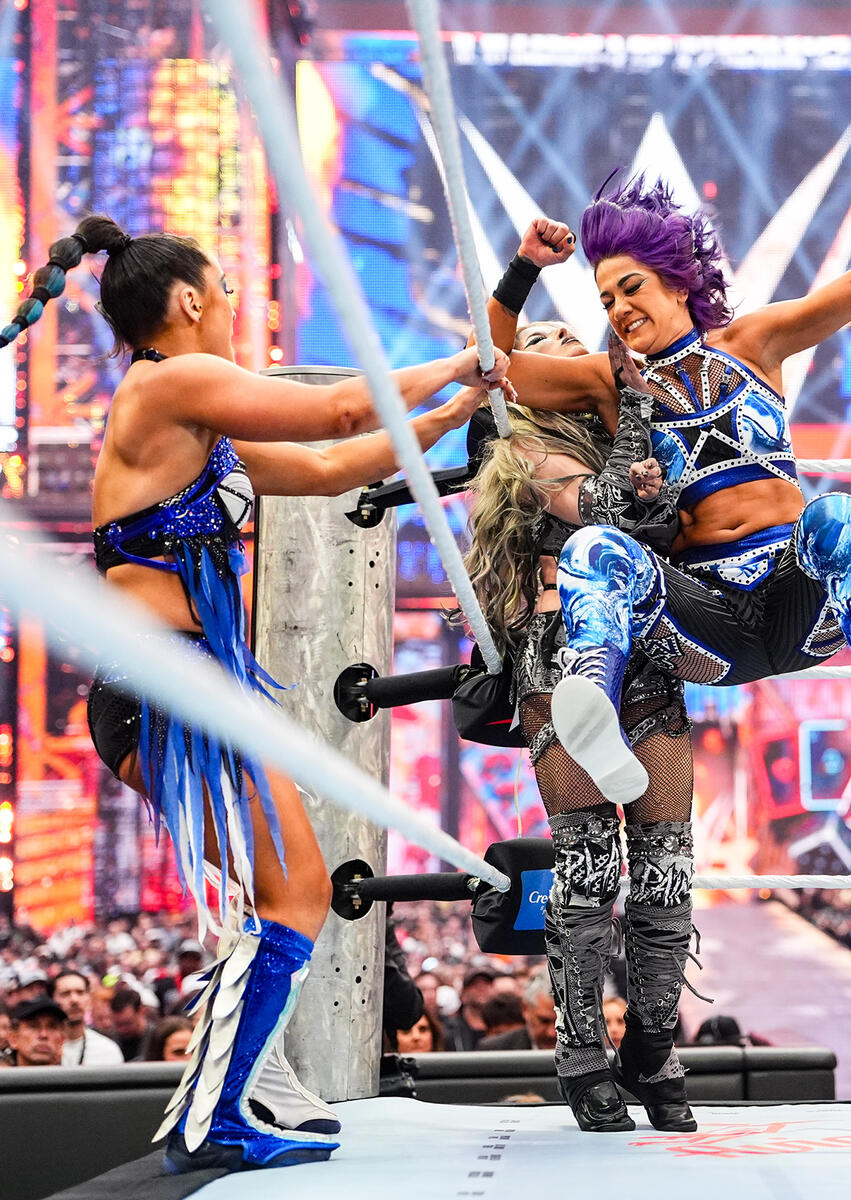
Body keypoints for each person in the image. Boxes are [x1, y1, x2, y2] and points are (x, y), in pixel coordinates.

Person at [1, 215, 511, 1173]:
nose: (234, 306)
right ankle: (217, 1112)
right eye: (227, 290)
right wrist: (454, 365)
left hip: (182, 688)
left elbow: (326, 467)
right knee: (297, 893)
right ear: (190, 300)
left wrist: (448, 417)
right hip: (170, 686)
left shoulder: (192, 422)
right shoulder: (169, 380)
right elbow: (335, 414)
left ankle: (237, 1089)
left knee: (284, 894)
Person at [497, 133, 851, 818]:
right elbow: (492, 366)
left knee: (839, 516)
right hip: (706, 631)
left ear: (677, 282)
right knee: (593, 549)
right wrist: (524, 267)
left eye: (631, 287)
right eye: (606, 302)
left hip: (800, 609)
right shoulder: (609, 381)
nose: (619, 310)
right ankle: (596, 723)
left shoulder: (755, 342)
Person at [464, 312, 697, 1132]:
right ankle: (580, 1053)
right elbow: (604, 510)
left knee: (668, 861)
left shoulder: (624, 435)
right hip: (562, 654)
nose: (571, 345)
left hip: (646, 653)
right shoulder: (517, 447)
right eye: (548, 340)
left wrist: (646, 436)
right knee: (590, 862)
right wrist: (632, 404)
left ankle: (654, 1044)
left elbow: (672, 528)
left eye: (573, 336)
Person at [52, 970, 124, 1066]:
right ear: (52, 999)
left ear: (89, 999)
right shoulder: (41, 1049)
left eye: (80, 993)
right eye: (65, 994)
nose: (74, 1000)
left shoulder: (107, 1050)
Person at [477, 969, 558, 1051]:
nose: (552, 1033)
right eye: (544, 1021)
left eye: (562, 1023)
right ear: (525, 1009)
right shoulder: (495, 1050)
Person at [6, 996, 68, 1066]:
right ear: (13, 1039)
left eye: (52, 1027)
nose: (44, 1035)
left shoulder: (75, 1072)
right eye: (33, 1026)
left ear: (62, 1040)